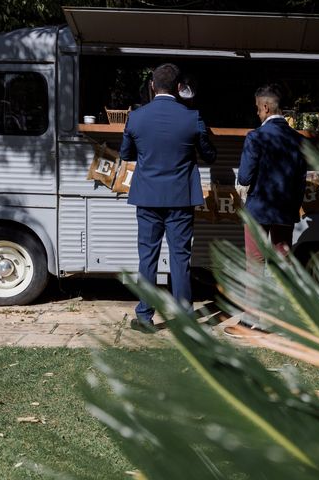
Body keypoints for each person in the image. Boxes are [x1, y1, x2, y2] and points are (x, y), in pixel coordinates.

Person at [120, 63, 216, 333]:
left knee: (147, 258)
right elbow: (210, 155)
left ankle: (144, 317)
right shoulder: (192, 117)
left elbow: (126, 154)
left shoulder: (136, 118)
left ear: (152, 86)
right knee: (180, 258)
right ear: (178, 88)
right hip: (181, 199)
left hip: (148, 197)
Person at [228, 84, 307, 334]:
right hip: (285, 210)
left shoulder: (257, 137)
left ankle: (251, 319)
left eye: (257, 109)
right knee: (283, 263)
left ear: (264, 106)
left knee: (255, 263)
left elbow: (244, 176)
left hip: (259, 209)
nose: (257, 114)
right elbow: (301, 179)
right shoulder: (297, 139)